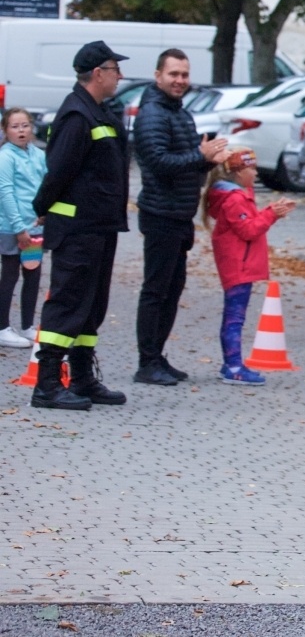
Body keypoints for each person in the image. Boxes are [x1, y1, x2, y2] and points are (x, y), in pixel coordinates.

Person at [30, 41, 132, 410]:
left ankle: (83, 378)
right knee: (68, 303)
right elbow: (58, 172)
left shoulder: (98, 112)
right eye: (114, 69)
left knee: (92, 305)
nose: (120, 76)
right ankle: (46, 386)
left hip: (100, 226)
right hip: (77, 229)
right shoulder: (77, 116)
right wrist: (41, 207)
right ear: (98, 73)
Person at [132, 48, 230, 385]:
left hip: (179, 214)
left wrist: (207, 160)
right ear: (158, 75)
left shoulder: (178, 112)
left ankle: (157, 356)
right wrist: (198, 155)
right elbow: (159, 163)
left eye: (185, 75)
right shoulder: (152, 114)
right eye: (174, 74)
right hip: (160, 213)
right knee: (156, 290)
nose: (180, 80)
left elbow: (185, 161)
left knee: (172, 290)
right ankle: (147, 362)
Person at [204, 150, 295, 385]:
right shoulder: (234, 199)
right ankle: (233, 366)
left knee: (235, 316)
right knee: (234, 317)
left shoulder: (238, 194)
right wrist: (271, 214)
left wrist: (271, 211)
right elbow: (249, 230)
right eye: (252, 169)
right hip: (238, 265)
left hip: (239, 263)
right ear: (238, 172)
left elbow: (250, 220)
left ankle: (231, 363)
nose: (256, 173)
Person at [0, 107, 47, 349]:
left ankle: (28, 326)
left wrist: (44, 212)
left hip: (35, 228)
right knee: (9, 274)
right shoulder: (6, 157)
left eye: (25, 125)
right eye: (15, 127)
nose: (21, 131)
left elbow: (45, 183)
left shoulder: (37, 155)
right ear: (5, 131)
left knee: (32, 272)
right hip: (11, 228)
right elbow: (5, 193)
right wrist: (19, 227)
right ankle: (2, 327)